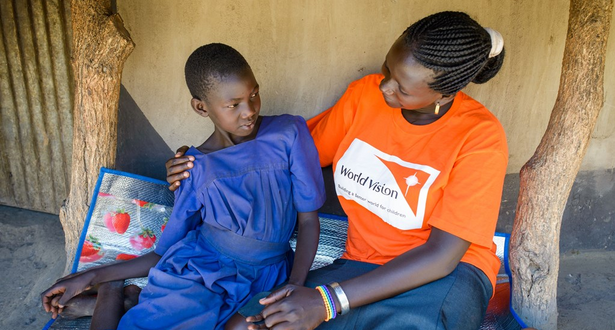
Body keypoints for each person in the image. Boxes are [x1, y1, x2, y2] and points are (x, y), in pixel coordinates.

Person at [167, 11, 510, 330]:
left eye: (401, 88)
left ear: (445, 92)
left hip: (443, 277)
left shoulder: (479, 136)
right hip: (360, 264)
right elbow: (286, 152)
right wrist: (200, 159)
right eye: (387, 70)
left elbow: (441, 257)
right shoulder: (365, 97)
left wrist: (327, 301)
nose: (384, 87)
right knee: (248, 324)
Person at [41, 43, 326, 330]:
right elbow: (164, 250)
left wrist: (295, 286)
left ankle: (132, 302)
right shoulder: (193, 168)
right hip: (201, 274)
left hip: (269, 273)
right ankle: (112, 290)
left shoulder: (289, 133)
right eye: (233, 104)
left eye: (254, 94)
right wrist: (91, 277)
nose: (249, 111)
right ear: (201, 107)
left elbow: (309, 220)